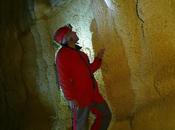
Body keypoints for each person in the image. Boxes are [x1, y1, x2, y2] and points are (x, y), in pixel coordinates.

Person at [54, 24, 112, 130]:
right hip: (80, 97)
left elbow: (88, 70)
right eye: (72, 32)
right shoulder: (62, 55)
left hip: (93, 94)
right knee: (81, 125)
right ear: (68, 37)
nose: (75, 33)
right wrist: (71, 98)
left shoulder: (79, 53)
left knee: (105, 115)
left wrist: (98, 59)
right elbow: (63, 79)